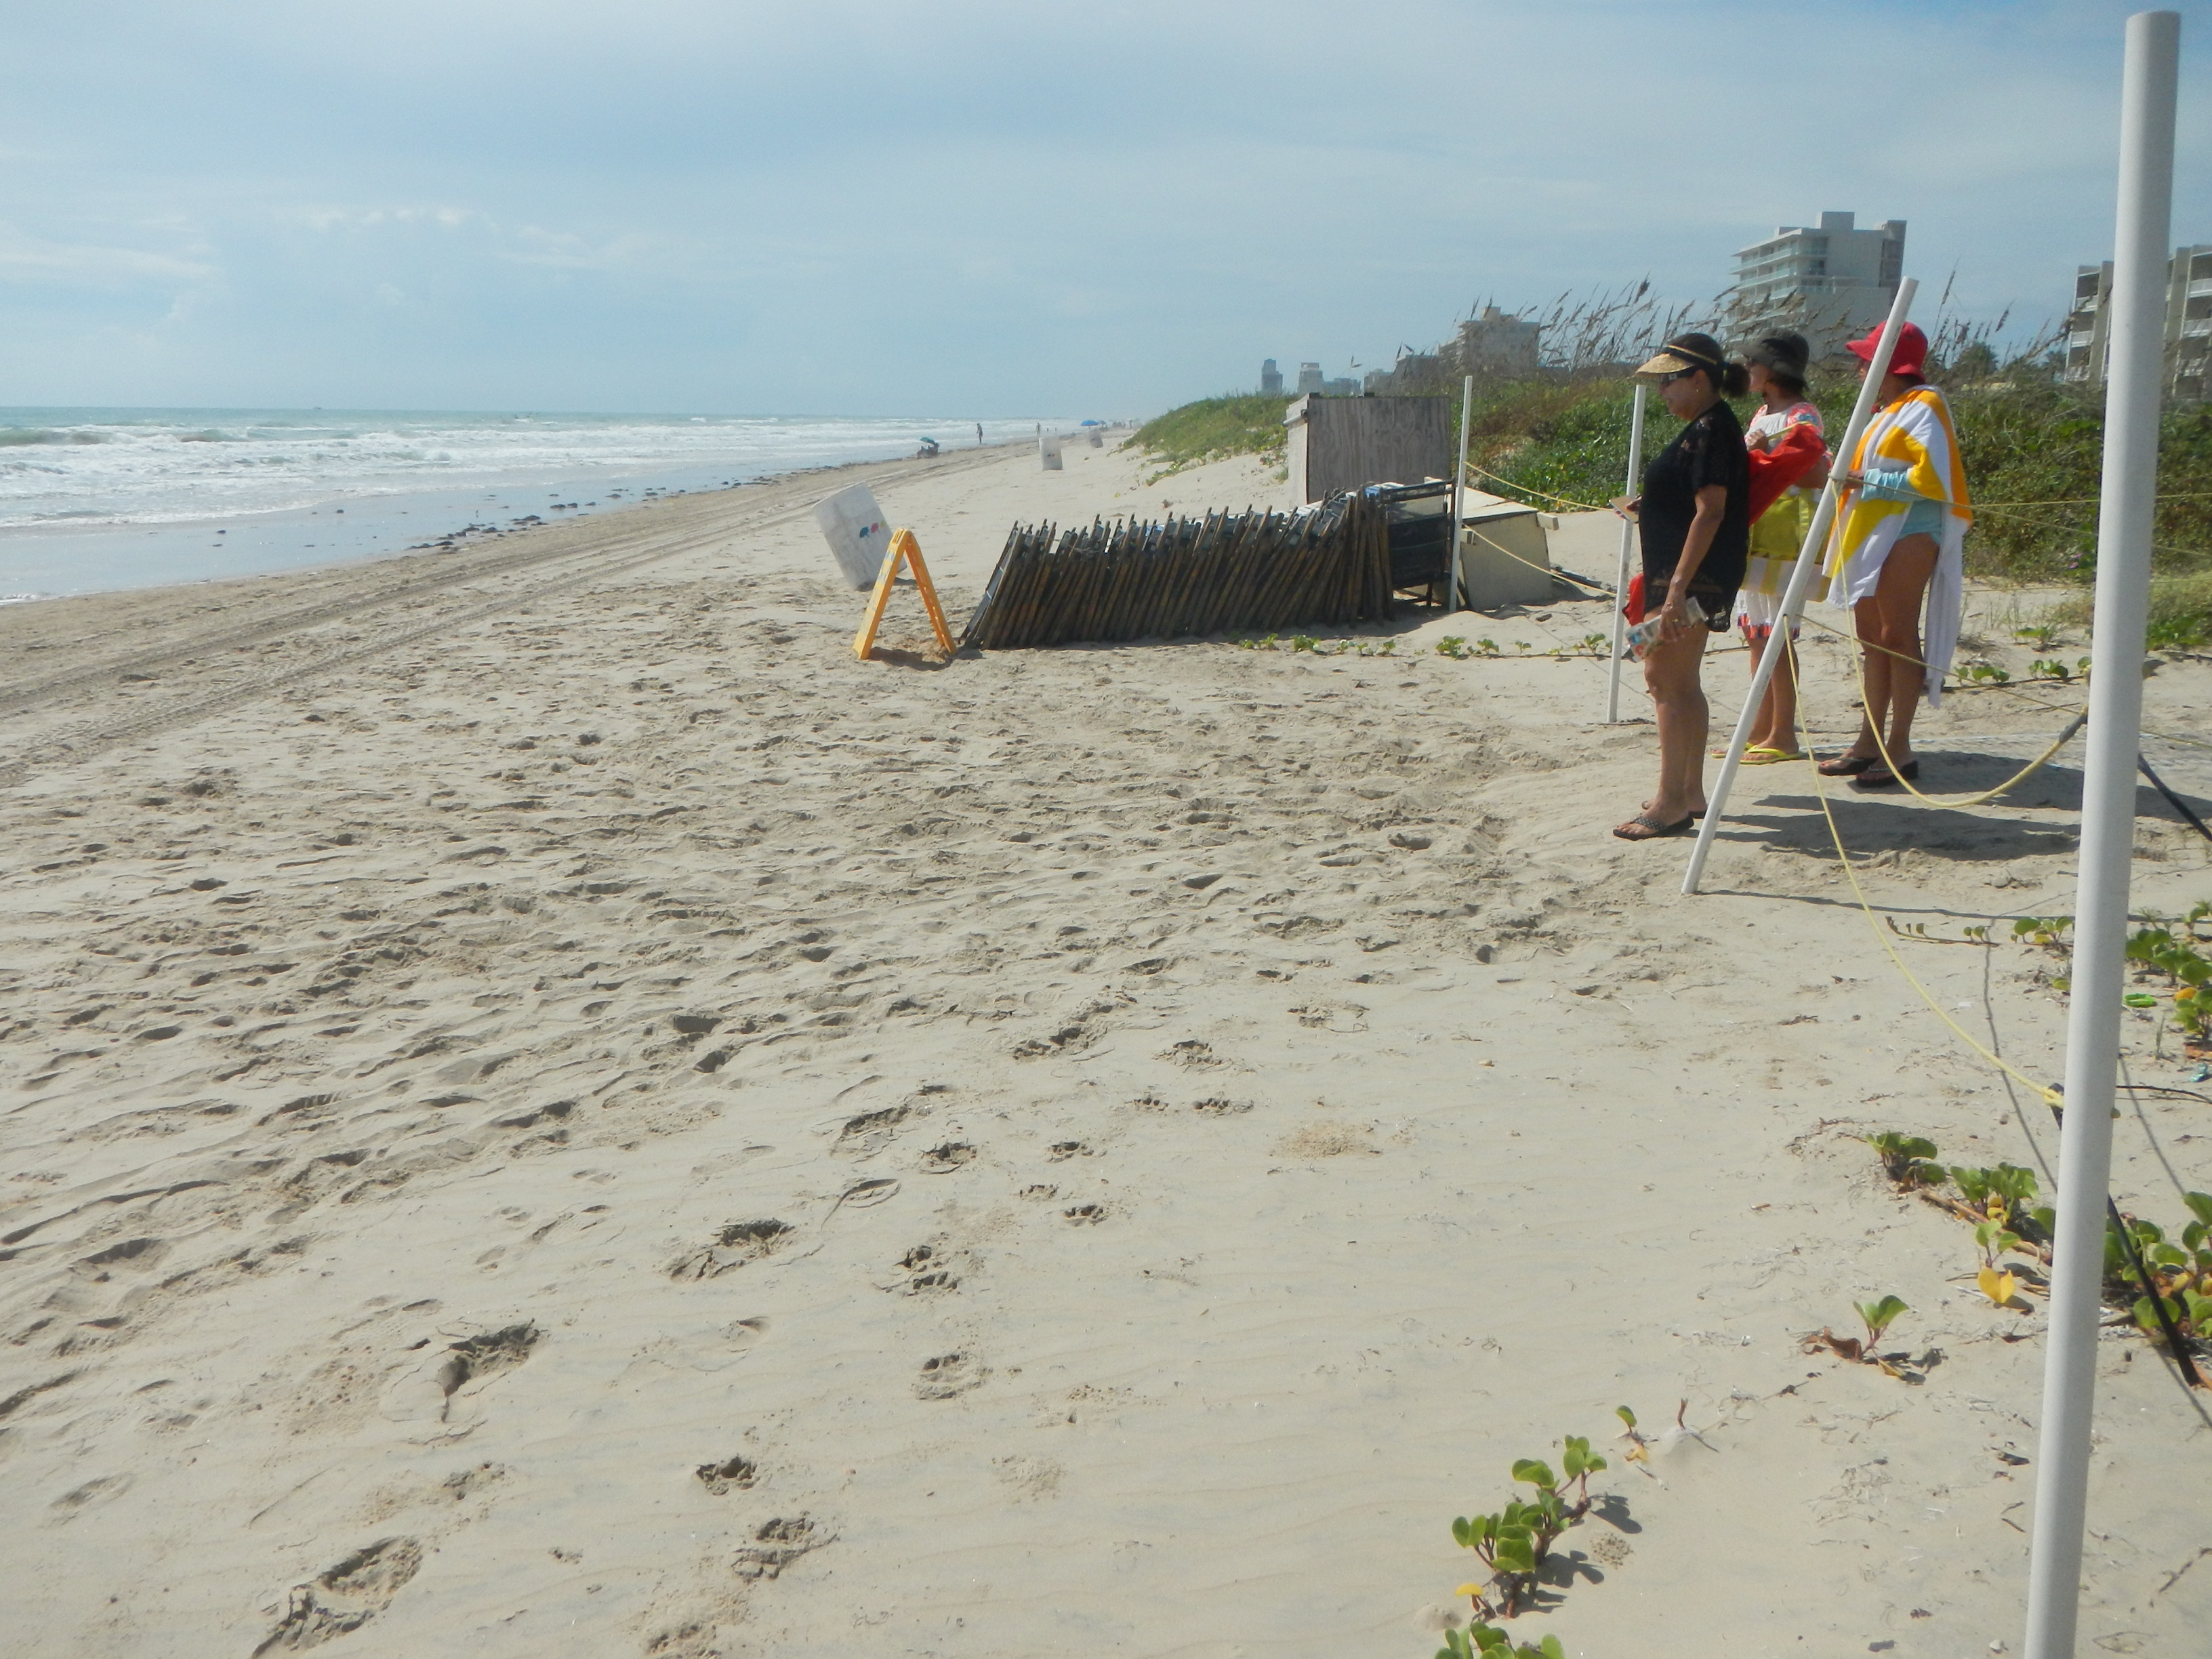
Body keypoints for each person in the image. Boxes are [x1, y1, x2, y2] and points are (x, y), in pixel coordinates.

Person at [1818, 321, 1973, 789]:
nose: (1859, 367)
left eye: (1866, 360)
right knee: (1871, 638)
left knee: (1896, 633)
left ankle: (1900, 745)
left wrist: (1867, 480)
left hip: (1914, 527)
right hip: (1873, 528)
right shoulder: (1885, 411)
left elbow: (1934, 480)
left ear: (1890, 365)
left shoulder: (1925, 405)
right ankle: (1868, 740)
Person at [1612, 333, 1751, 840]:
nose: (1664, 390)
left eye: (1671, 380)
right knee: (1681, 682)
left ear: (1699, 379)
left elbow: (1711, 511)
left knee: (1663, 680)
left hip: (1689, 579)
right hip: (1688, 575)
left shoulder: (1710, 430)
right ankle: (1687, 791)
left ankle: (1671, 803)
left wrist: (1674, 593)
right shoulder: (1709, 427)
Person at [1728, 333, 1829, 762]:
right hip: (1758, 528)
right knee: (1755, 630)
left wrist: (1764, 451)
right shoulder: (1762, 412)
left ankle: (1783, 732)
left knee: (1778, 634)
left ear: (1770, 369)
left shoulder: (1803, 415)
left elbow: (1813, 471)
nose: (1747, 370)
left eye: (1752, 364)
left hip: (1786, 533)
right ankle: (1758, 726)